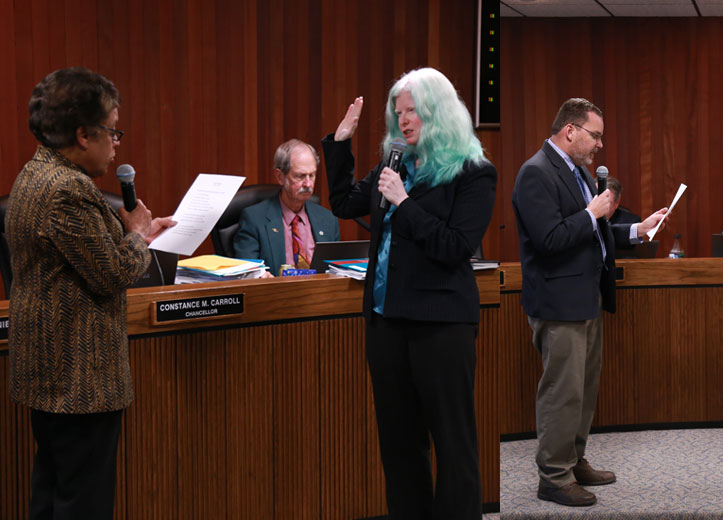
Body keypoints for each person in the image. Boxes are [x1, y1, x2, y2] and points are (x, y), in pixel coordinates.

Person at [321, 67, 496, 518]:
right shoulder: (394, 164)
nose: (403, 120)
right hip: (386, 322)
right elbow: (343, 204)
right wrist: (341, 141)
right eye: (397, 112)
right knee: (399, 445)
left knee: (452, 446)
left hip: (440, 324)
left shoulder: (474, 172)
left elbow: (455, 246)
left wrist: (404, 202)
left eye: (413, 110)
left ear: (438, 112)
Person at [6, 67, 174, 519]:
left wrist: (136, 234)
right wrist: (138, 235)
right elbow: (113, 273)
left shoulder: (35, 172)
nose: (116, 143)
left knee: (53, 493)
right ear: (83, 134)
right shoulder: (68, 190)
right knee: (83, 503)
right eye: (111, 131)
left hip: (51, 376)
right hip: (77, 379)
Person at [511, 98, 667, 507]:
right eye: (594, 135)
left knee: (583, 389)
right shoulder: (535, 173)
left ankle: (573, 459)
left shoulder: (576, 170)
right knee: (562, 391)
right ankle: (554, 476)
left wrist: (635, 228)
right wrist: (590, 212)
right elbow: (548, 240)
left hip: (586, 297)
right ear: (570, 130)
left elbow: (593, 233)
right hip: (558, 300)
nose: (599, 144)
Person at [233, 138, 340, 276]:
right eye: (300, 176)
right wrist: (258, 275)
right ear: (280, 177)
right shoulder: (254, 219)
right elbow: (245, 272)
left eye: (312, 175)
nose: (308, 184)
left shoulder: (328, 220)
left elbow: (335, 272)